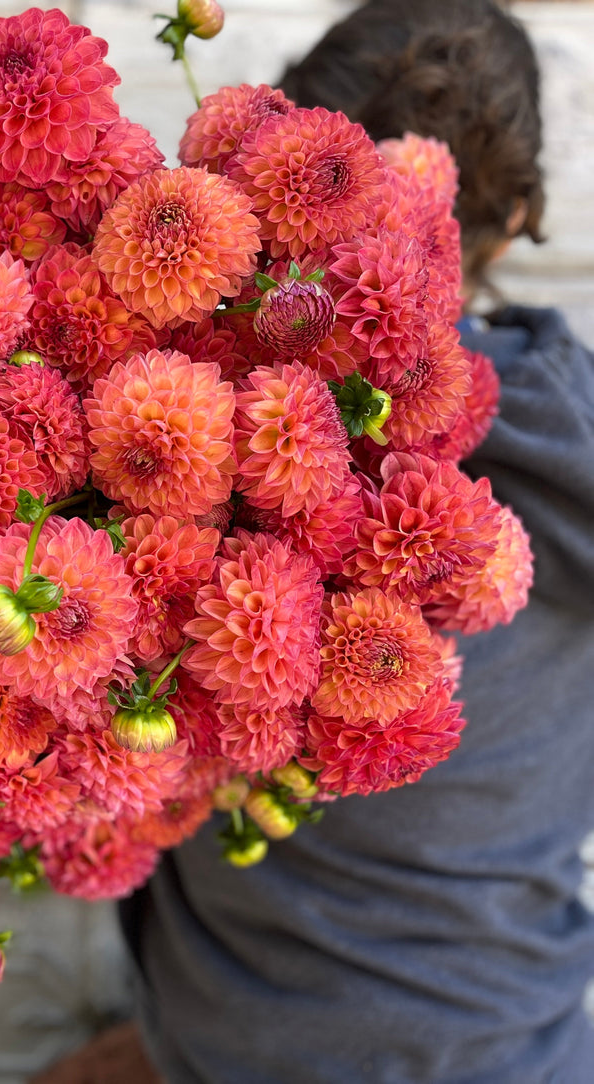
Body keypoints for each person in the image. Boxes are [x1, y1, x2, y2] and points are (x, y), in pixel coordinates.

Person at [37, 1, 594, 1080]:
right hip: (507, 1043)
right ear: (518, 212)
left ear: (273, 153)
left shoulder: (184, 419)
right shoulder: (571, 443)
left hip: (230, 1039)